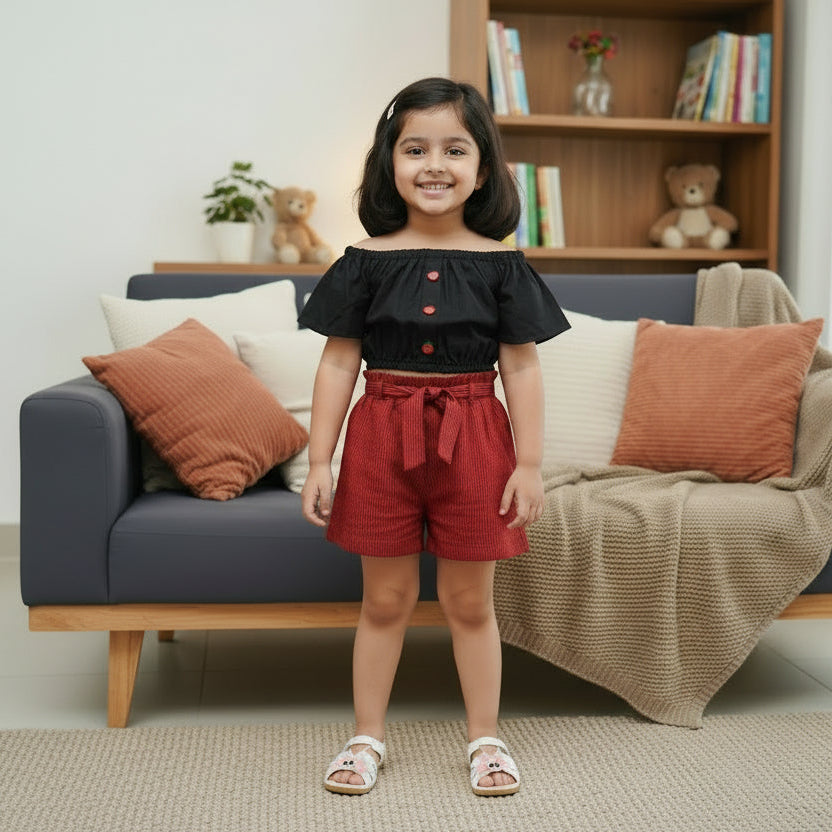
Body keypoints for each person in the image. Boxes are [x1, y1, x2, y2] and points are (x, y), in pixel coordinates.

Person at [298, 76, 570, 797]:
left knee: (470, 603)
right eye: (415, 149)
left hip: (475, 436)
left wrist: (530, 464)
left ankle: (486, 739)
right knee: (384, 601)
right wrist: (320, 459)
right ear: (389, 161)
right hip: (380, 437)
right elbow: (337, 363)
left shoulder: (502, 264)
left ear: (483, 167)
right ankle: (366, 738)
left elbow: (521, 366)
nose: (434, 165)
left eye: (455, 148)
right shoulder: (363, 259)